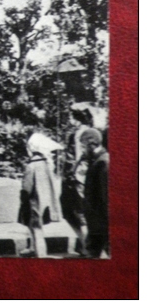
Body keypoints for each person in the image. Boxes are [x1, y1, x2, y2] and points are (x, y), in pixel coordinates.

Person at [18, 133, 62, 257]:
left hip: (34, 203)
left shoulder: (31, 166)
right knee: (37, 230)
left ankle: (41, 256)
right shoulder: (46, 165)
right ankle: (34, 249)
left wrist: (23, 198)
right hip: (45, 203)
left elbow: (26, 188)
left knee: (37, 231)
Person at [59, 107, 93, 255]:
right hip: (83, 177)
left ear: (76, 118)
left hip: (78, 178)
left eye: (71, 117)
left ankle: (86, 245)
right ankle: (83, 245)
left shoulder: (80, 133)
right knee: (78, 212)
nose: (69, 120)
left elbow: (80, 156)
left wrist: (72, 173)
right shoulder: (89, 131)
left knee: (73, 211)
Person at [79, 127, 109, 258]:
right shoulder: (96, 161)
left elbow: (106, 197)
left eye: (83, 146)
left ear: (92, 144)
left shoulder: (103, 162)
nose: (81, 150)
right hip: (96, 224)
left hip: (101, 225)